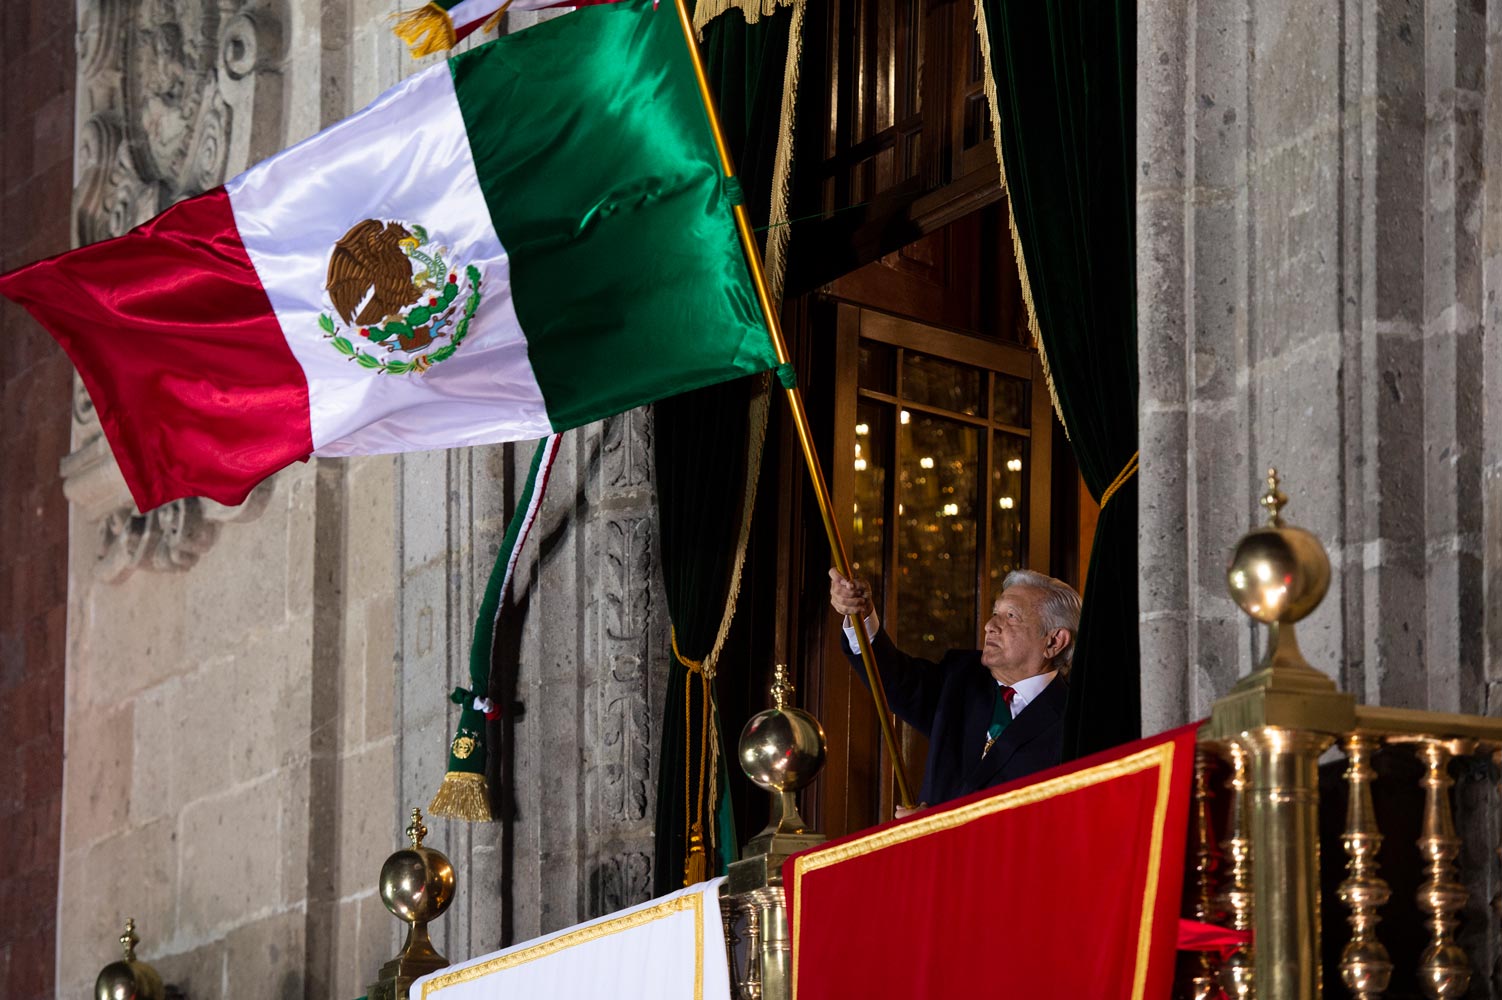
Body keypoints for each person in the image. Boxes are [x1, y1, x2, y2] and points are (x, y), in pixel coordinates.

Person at [829, 567, 1081, 814]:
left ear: (1054, 641)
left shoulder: (1078, 725)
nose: (990, 625)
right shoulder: (961, 679)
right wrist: (860, 614)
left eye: (1011, 616)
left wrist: (937, 831)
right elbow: (895, 679)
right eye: (995, 613)